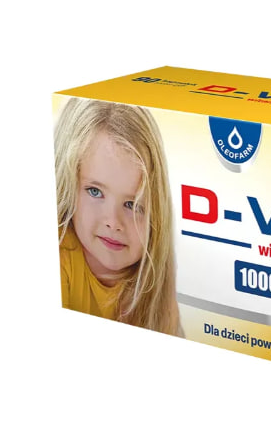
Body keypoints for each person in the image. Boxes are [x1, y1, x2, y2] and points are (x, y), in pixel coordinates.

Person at [54, 96, 181, 336]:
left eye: (132, 204)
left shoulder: (156, 283)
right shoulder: (60, 256)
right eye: (95, 191)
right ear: (67, 184)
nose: (113, 222)